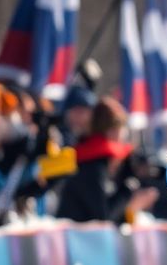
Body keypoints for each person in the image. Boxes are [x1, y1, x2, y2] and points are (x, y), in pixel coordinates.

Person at [55, 96, 159, 224]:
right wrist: (128, 189)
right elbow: (104, 216)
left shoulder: (90, 156)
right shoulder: (92, 164)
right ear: (112, 131)